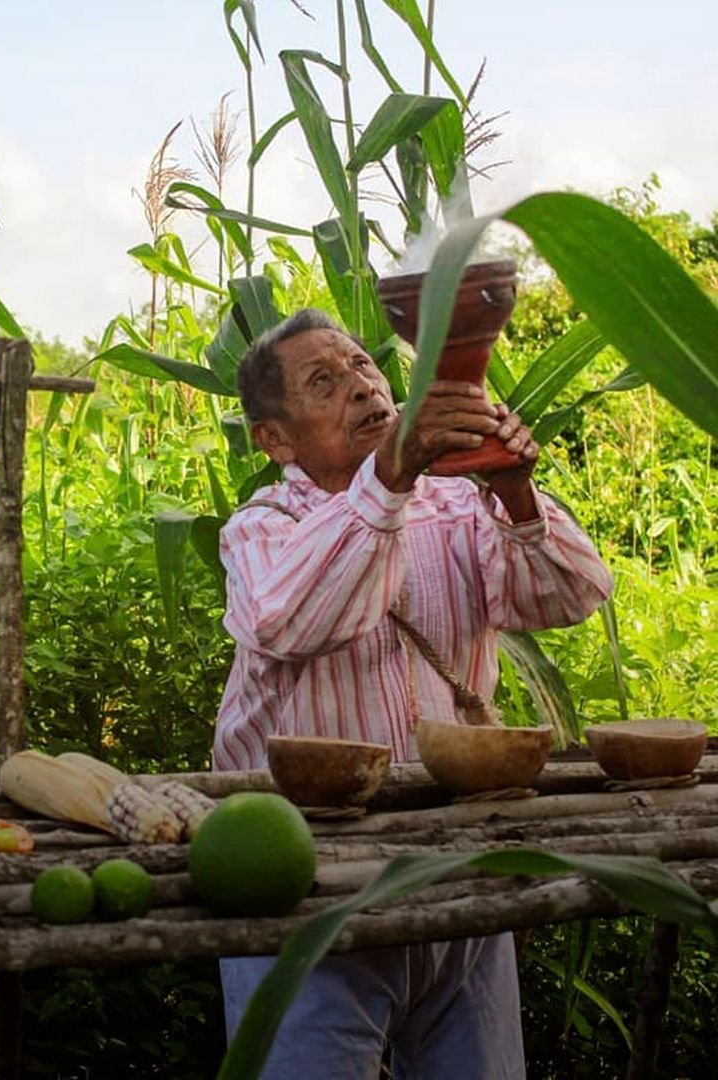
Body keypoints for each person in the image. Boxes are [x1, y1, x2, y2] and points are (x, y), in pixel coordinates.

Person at [213, 308, 614, 1079]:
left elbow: (571, 596)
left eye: (363, 366)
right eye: (323, 382)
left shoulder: (460, 505)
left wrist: (516, 490)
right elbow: (291, 620)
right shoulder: (259, 528)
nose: (362, 387)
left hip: (455, 869)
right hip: (308, 886)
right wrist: (391, 474)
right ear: (275, 439)